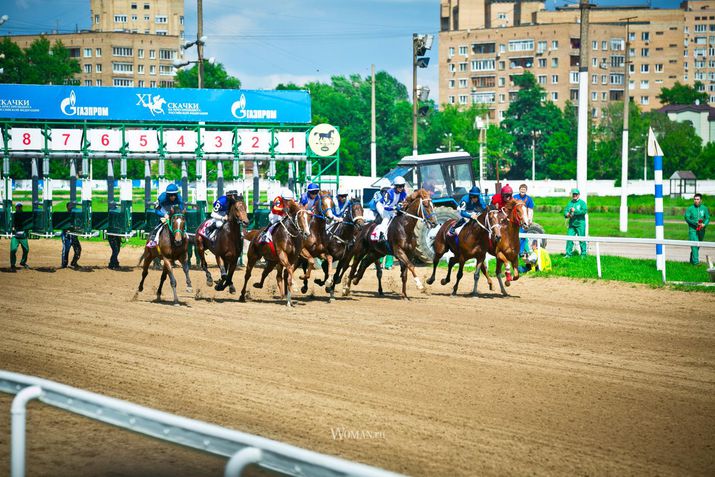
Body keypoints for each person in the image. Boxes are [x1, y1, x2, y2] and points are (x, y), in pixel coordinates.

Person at [148, 183, 184, 247]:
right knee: (159, 224)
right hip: (164, 210)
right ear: (167, 195)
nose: (173, 197)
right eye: (171, 195)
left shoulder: (179, 198)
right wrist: (164, 215)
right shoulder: (162, 198)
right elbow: (157, 210)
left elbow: (181, 210)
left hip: (174, 212)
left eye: (174, 195)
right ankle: (153, 240)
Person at [373, 176, 407, 242]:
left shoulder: (403, 193)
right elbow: (386, 207)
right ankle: (381, 234)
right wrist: (395, 207)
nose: (402, 188)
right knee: (387, 217)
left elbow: (402, 202)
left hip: (391, 207)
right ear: (395, 186)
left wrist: (401, 206)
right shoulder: (389, 193)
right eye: (399, 186)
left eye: (403, 186)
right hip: (381, 206)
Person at [684, 193, 710, 265]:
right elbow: (687, 218)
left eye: (697, 199)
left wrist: (704, 224)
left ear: (701, 200)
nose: (696, 201)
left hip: (701, 230)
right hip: (693, 230)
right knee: (694, 244)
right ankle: (696, 263)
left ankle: (692, 259)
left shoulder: (704, 208)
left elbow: (707, 217)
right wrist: (695, 223)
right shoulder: (690, 208)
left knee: (698, 245)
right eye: (695, 199)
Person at [564, 188, 588, 257]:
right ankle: (568, 254)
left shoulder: (582, 203)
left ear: (578, 195)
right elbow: (565, 211)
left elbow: (584, 211)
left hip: (580, 224)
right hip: (572, 224)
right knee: (569, 238)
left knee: (582, 239)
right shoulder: (570, 203)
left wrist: (575, 211)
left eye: (576, 194)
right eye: (573, 194)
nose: (574, 195)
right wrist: (567, 214)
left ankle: (583, 254)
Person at [515, 184, 535, 256]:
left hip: (524, 220)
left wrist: (530, 220)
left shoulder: (529, 199)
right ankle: (515, 251)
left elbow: (530, 210)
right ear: (519, 189)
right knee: (515, 236)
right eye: (521, 189)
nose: (522, 190)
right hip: (516, 220)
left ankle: (521, 252)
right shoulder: (515, 197)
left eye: (524, 189)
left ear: (526, 190)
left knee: (523, 236)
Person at [60, 202, 82, 269]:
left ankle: (74, 263)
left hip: (74, 236)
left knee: (78, 249)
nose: (71, 209)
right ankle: (64, 264)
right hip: (66, 235)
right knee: (66, 250)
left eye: (72, 207)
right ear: (67, 208)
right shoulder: (65, 216)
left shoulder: (76, 215)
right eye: (70, 207)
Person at [9, 203, 29, 272]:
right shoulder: (13, 215)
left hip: (23, 236)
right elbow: (10, 225)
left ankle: (23, 262)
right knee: (13, 250)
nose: (19, 208)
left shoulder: (24, 215)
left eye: (20, 207)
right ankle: (12, 264)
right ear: (16, 208)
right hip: (15, 236)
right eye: (18, 207)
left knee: (26, 249)